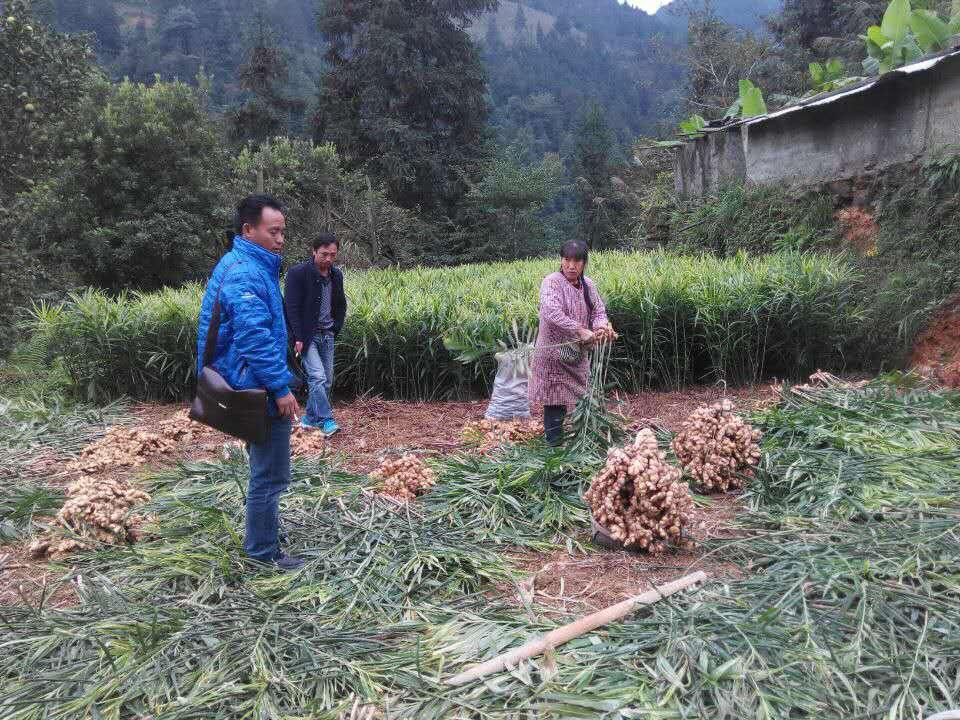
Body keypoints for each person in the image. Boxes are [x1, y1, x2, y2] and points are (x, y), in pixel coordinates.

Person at [196, 195, 304, 571]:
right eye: (273, 232)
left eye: (283, 232)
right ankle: (262, 553)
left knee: (267, 469)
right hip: (255, 384)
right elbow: (254, 338)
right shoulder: (245, 271)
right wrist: (281, 388)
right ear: (248, 230)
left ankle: (265, 534)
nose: (280, 240)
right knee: (271, 473)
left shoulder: (248, 264)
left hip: (250, 378)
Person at [528, 240, 615, 446]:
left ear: (584, 263)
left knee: (583, 400)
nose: (571, 266)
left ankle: (581, 443)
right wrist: (580, 329)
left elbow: (598, 311)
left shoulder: (588, 285)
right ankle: (555, 449)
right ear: (561, 260)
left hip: (577, 355)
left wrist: (602, 327)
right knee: (555, 402)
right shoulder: (552, 282)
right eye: (567, 260)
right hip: (553, 358)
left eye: (577, 261)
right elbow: (551, 312)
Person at [284, 233, 347, 436]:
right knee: (318, 377)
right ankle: (326, 420)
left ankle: (310, 418)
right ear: (314, 251)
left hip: (327, 333)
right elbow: (291, 308)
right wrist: (297, 337)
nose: (328, 259)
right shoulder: (297, 273)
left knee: (326, 380)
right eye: (324, 254)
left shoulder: (336, 275)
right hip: (306, 336)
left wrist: (336, 326)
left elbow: (340, 304)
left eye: (332, 255)